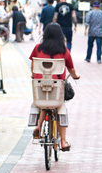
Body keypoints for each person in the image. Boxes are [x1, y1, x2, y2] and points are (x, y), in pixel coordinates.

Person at [29, 23, 80, 151]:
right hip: (57, 87)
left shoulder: (37, 48)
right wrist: (75, 76)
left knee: (41, 104)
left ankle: (38, 126)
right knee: (60, 106)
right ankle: (63, 142)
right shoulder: (64, 50)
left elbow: (33, 67)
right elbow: (71, 69)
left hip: (40, 85)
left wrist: (33, 75)